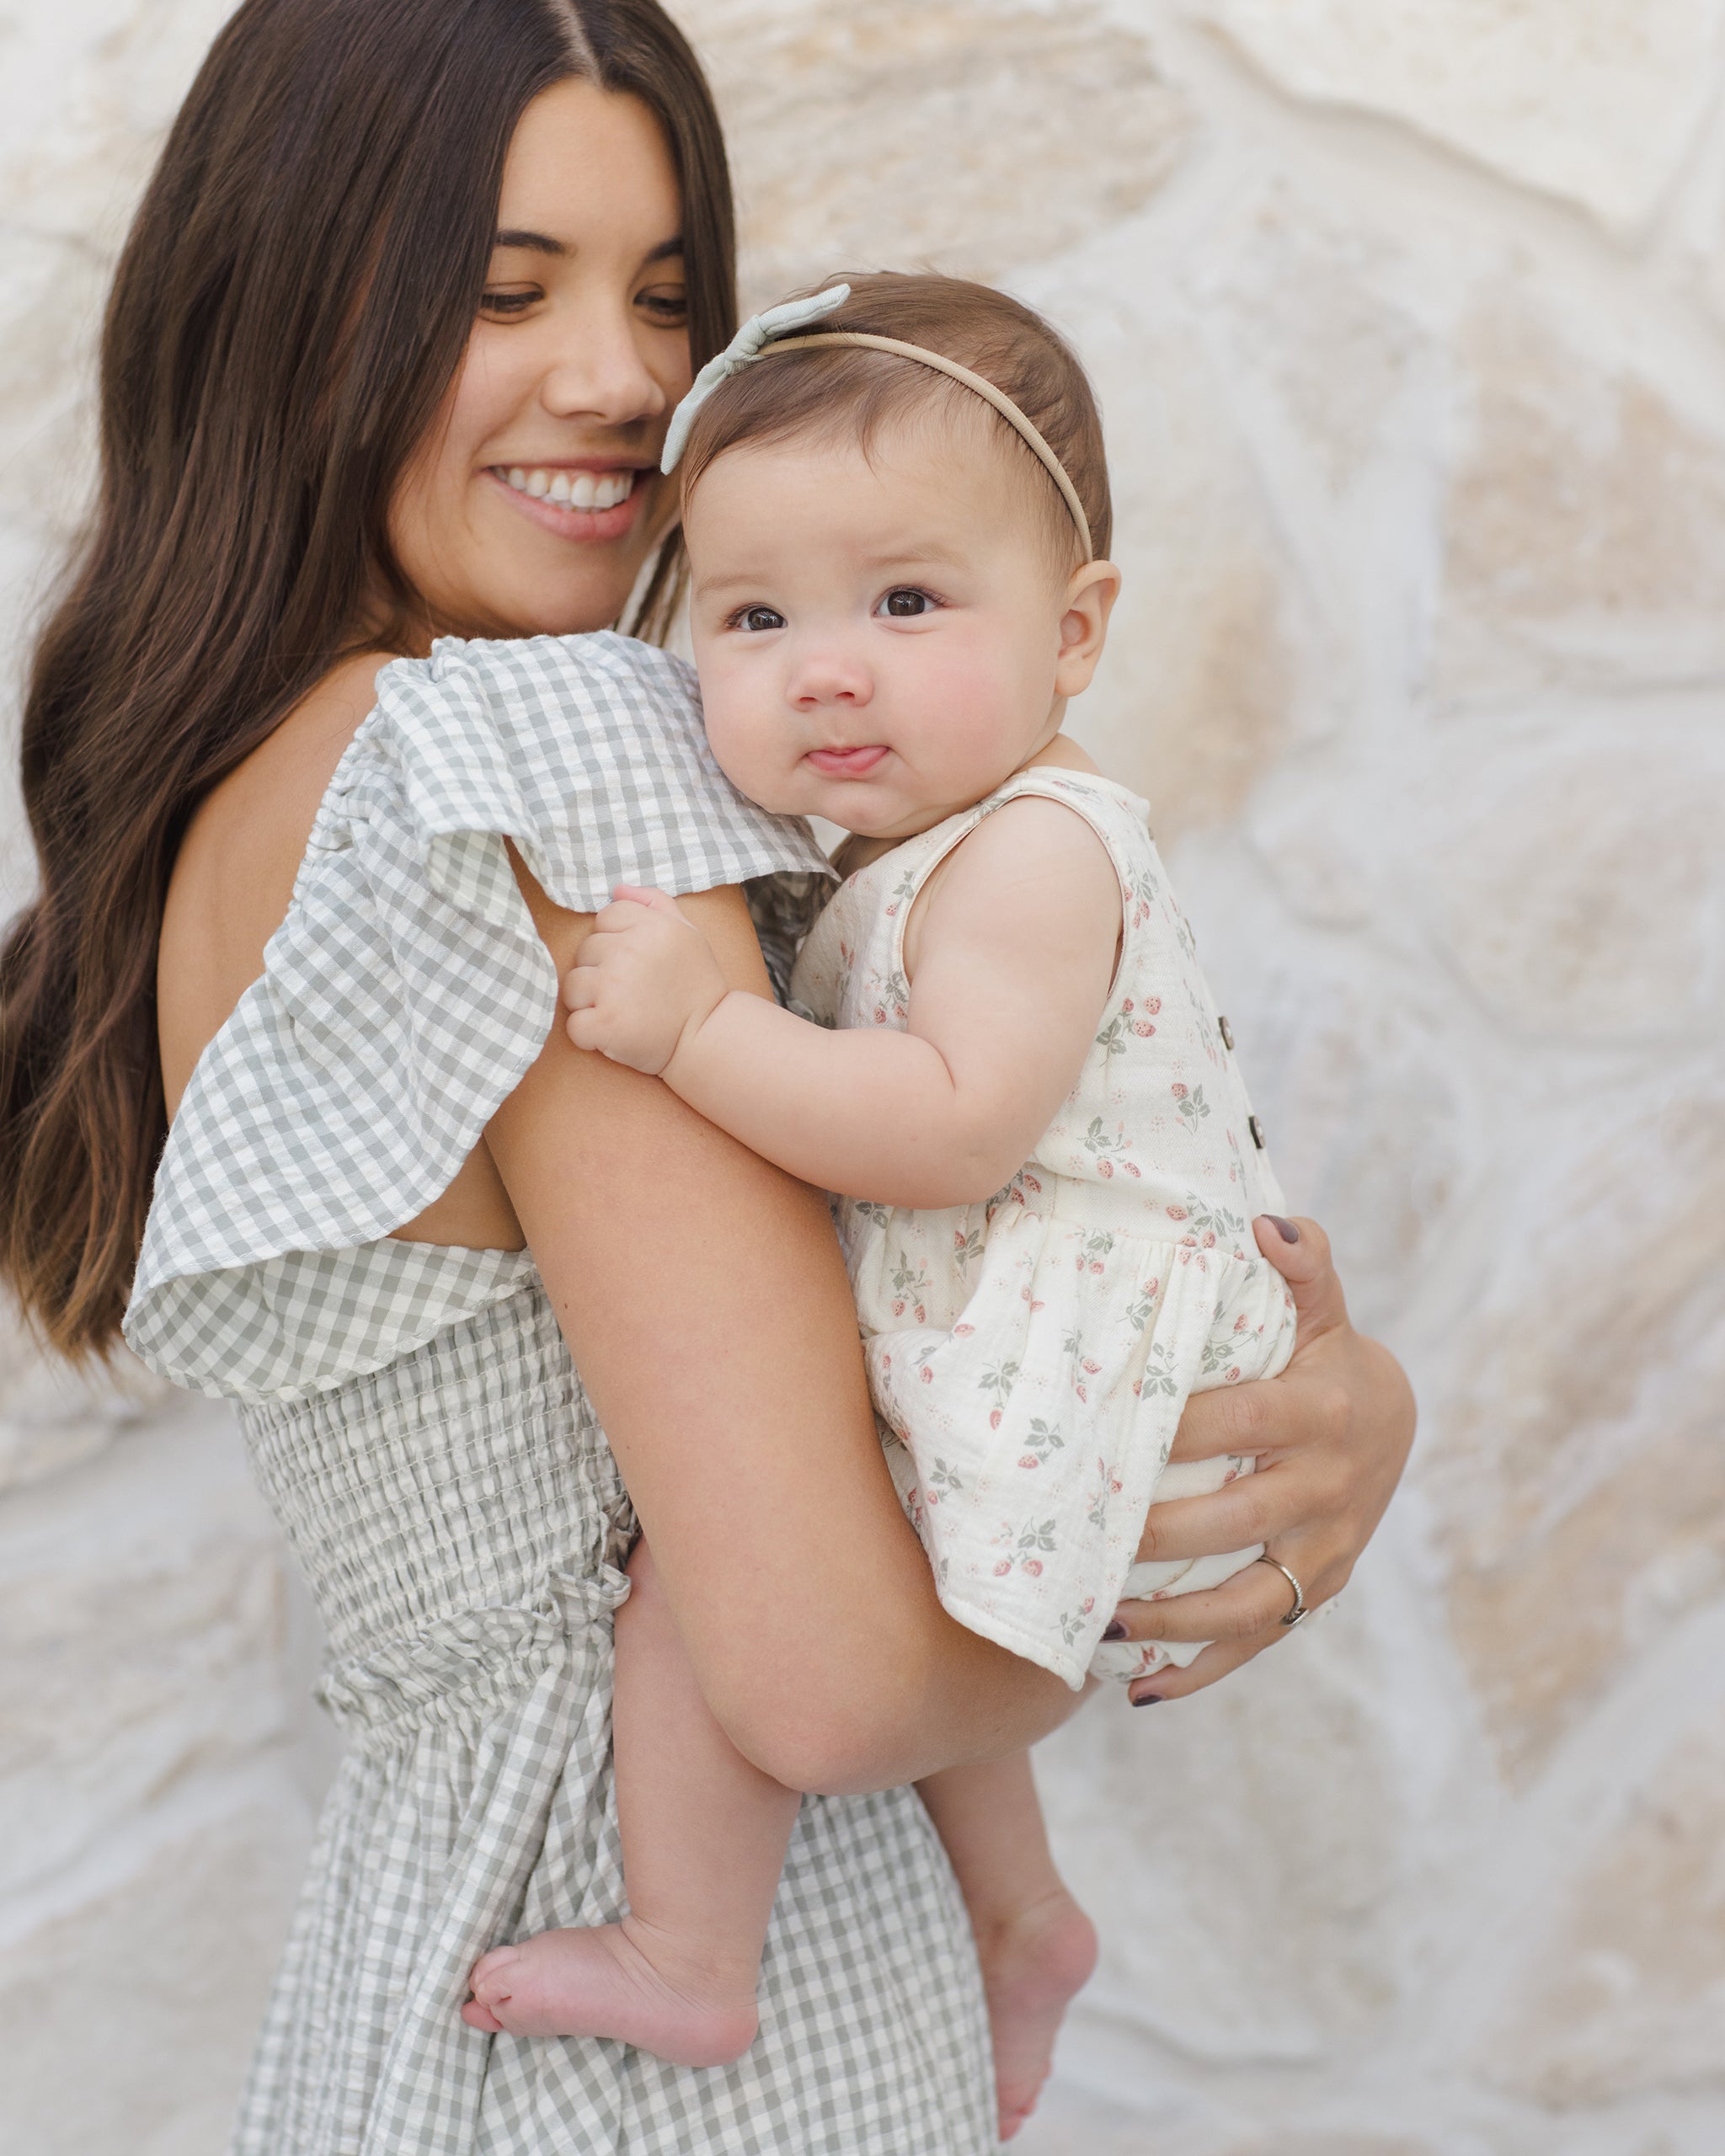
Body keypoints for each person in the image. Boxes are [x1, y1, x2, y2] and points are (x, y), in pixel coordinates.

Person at [0, 3, 1416, 2151]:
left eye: (668, 295)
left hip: (445, 1965)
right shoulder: (523, 766)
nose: (624, 379)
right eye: (505, 290)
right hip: (665, 2044)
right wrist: (1239, 1537)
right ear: (287, 304)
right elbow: (831, 1670)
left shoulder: (275, 780)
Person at [463, 272, 1298, 2139]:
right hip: (1041, 1343)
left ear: (1075, 629)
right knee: (925, 1555)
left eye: (905, 601)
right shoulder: (933, 842)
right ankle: (1022, 1913)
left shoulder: (1026, 853)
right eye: (754, 615)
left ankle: (695, 1944)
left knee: (701, 1569)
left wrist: (700, 1034)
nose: (823, 664)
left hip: (1063, 1342)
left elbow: (947, 1128)